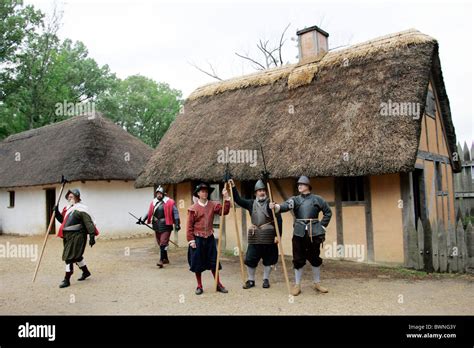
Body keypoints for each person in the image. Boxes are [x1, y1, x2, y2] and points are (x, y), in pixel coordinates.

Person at [270, 176, 332, 296]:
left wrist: (322, 227)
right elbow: (285, 206)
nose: (299, 186)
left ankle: (317, 283)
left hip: (314, 233)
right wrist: (276, 207)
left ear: (308, 186)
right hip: (298, 233)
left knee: (315, 258)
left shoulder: (318, 199)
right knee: (298, 258)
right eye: (298, 184)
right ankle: (297, 285)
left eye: (302, 184)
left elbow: (328, 212)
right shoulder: (295, 199)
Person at [229, 178, 282, 289]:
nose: (262, 192)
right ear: (255, 193)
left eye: (263, 190)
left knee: (269, 259)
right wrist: (233, 187)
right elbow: (238, 200)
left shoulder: (271, 204)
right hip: (255, 235)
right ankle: (251, 280)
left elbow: (279, 220)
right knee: (250, 259)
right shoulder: (250, 203)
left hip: (269, 235)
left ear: (266, 192)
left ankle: (266, 279)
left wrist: (278, 236)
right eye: (259, 190)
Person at [186, 182, 230, 295]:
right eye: (202, 191)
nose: (204, 193)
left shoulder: (213, 205)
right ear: (198, 194)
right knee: (197, 263)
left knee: (213, 262)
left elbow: (224, 211)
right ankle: (199, 286)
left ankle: (218, 284)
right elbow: (189, 226)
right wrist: (191, 240)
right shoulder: (193, 208)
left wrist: (227, 198)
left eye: (206, 191)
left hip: (209, 238)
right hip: (197, 239)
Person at [54, 189, 99, 288]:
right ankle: (86, 272)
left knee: (69, 257)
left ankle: (67, 279)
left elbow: (89, 223)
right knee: (77, 256)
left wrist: (92, 236)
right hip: (67, 236)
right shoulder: (68, 209)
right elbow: (63, 221)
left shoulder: (82, 209)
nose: (69, 198)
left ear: (77, 197)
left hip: (78, 236)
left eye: (72, 196)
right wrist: (57, 213)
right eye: (68, 197)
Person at [138, 186, 180, 267]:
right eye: (157, 193)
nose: (159, 195)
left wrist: (177, 223)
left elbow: (175, 213)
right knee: (160, 243)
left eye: (160, 193)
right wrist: (143, 220)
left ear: (164, 194)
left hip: (166, 224)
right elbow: (150, 212)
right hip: (156, 225)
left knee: (163, 243)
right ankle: (166, 259)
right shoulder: (154, 202)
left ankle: (161, 260)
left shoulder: (170, 202)